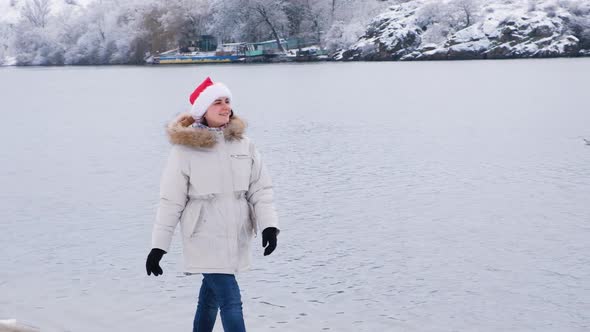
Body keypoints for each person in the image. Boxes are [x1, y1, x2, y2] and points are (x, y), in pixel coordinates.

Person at [145, 77, 280, 332]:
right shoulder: (184, 150)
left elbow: (260, 189)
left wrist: (269, 226)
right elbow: (170, 201)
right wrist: (158, 247)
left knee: (211, 299)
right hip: (204, 235)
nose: (225, 107)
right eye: (217, 102)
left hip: (236, 234)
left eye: (227, 101)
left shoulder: (244, 144)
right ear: (202, 111)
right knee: (230, 299)